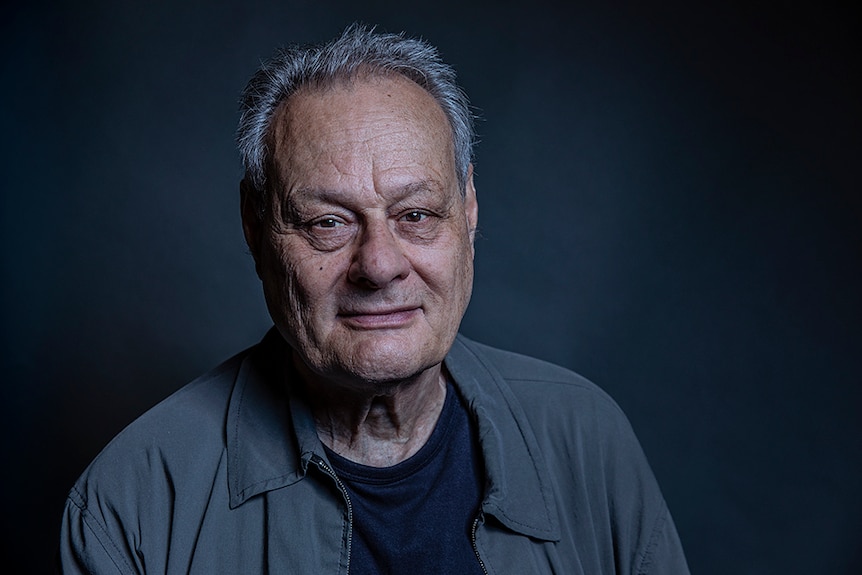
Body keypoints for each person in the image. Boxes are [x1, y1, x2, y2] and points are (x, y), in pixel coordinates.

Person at [59, 24, 690, 574]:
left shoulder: (588, 440)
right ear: (255, 230)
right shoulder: (134, 502)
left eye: (415, 214)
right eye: (328, 223)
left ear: (468, 212)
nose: (380, 265)